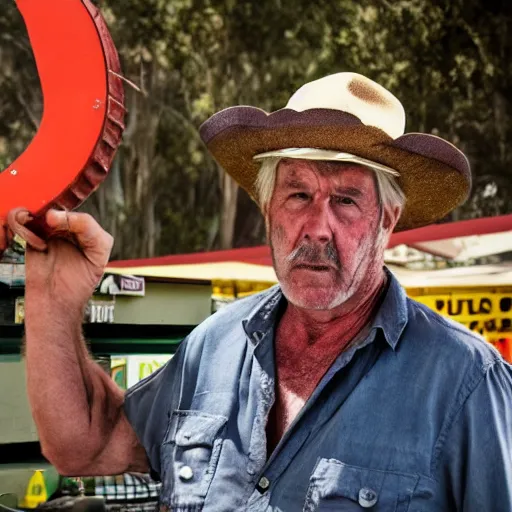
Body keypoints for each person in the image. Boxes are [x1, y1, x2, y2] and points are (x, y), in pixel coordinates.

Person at [8, 72, 512, 511]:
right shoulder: (214, 345)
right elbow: (87, 445)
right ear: (269, 208)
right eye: (298, 194)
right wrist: (54, 298)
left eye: (346, 199)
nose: (317, 227)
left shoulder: (467, 382)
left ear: (388, 218)